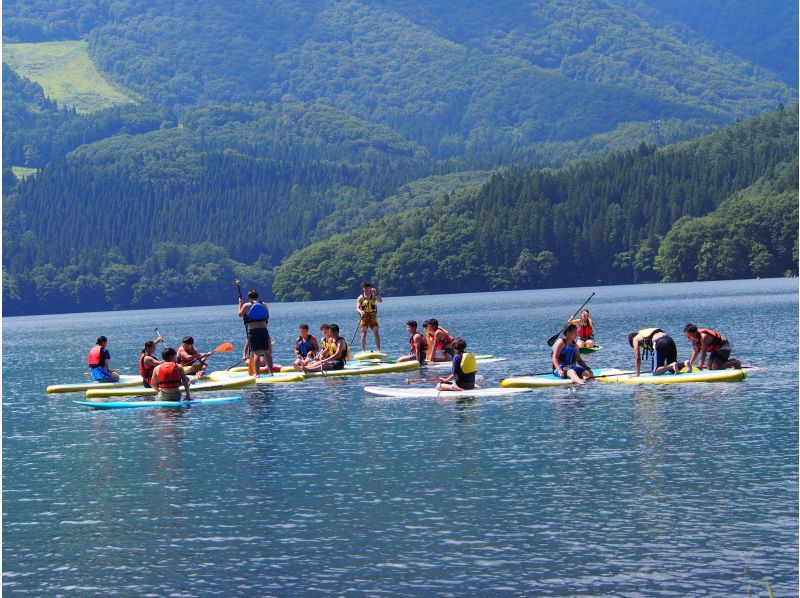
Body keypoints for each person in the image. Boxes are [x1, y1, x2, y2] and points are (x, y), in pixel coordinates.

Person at [238, 289, 274, 376]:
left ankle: (257, 374)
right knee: (267, 352)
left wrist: (240, 304)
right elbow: (267, 316)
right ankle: (271, 372)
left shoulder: (246, 305)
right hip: (264, 330)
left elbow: (240, 314)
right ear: (257, 296)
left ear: (249, 297)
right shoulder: (264, 304)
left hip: (253, 331)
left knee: (256, 353)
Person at [356, 281, 382, 352]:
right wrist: (361, 312)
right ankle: (363, 350)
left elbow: (380, 301)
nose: (367, 289)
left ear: (370, 288)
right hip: (364, 317)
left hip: (373, 316)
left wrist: (376, 294)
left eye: (368, 287)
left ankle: (379, 350)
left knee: (376, 332)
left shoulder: (373, 295)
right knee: (364, 332)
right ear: (363, 288)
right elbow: (357, 308)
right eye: (365, 288)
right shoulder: (360, 297)